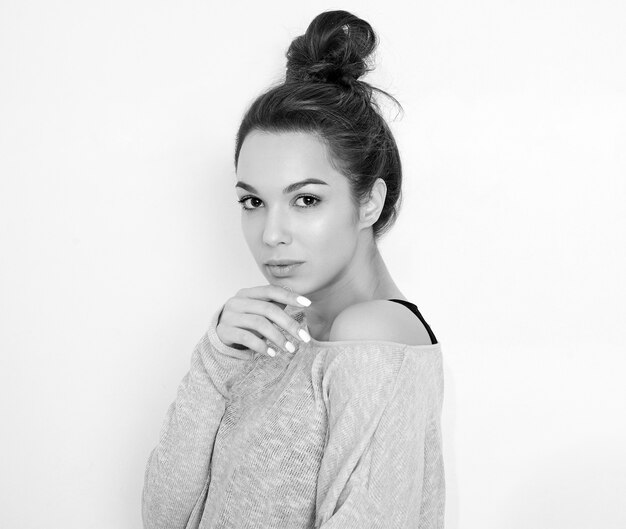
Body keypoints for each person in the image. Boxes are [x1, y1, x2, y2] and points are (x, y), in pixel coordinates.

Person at [142, 10, 444, 529]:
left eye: (305, 199)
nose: (271, 234)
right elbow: (166, 517)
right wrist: (217, 359)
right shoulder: (270, 330)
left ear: (369, 202)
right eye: (253, 201)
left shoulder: (373, 334)